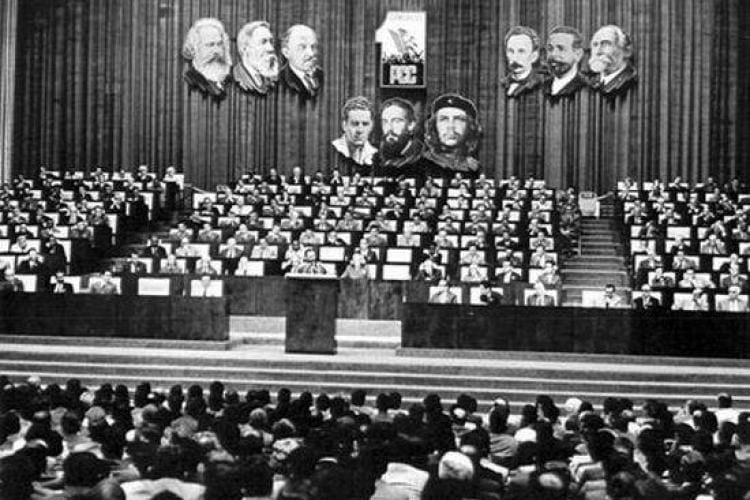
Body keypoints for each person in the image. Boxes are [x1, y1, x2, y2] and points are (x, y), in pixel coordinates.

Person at [422, 93, 482, 176]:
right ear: (434, 125)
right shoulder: (421, 165)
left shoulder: (473, 167)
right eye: (444, 119)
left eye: (459, 119)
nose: (451, 126)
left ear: (470, 126)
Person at [181, 18, 232, 98]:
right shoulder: (190, 80)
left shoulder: (230, 79)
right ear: (194, 49)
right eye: (210, 45)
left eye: (219, 44)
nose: (216, 51)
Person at [377, 97, 425, 176]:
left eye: (396, 121)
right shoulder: (378, 156)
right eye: (385, 122)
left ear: (411, 125)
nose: (389, 128)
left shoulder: (422, 158)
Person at [589, 24, 637, 96]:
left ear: (626, 51)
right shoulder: (591, 83)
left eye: (606, 44)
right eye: (595, 45)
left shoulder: (631, 81)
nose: (598, 52)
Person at [331, 96, 377, 172]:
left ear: (371, 126)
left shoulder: (375, 155)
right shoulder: (332, 151)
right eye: (355, 124)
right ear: (344, 125)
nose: (360, 130)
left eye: (365, 124)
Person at [234, 21, 279, 94]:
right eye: (263, 42)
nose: (271, 48)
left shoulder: (269, 78)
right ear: (245, 48)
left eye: (271, 42)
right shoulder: (235, 78)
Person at [280, 24, 323, 99]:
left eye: (313, 47)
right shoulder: (280, 80)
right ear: (286, 52)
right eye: (302, 47)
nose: (311, 54)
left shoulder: (321, 75)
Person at [544, 26, 588, 99]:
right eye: (550, 49)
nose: (553, 54)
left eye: (561, 49)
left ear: (578, 54)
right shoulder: (541, 88)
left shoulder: (587, 90)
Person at [502, 26, 544, 97]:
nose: (515, 58)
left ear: (534, 56)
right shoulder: (502, 85)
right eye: (511, 51)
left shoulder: (540, 87)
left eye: (521, 51)